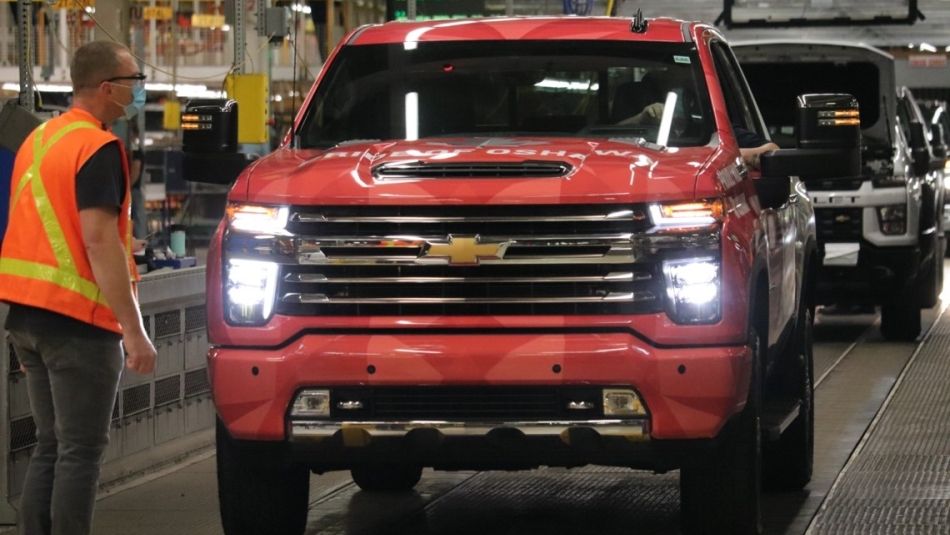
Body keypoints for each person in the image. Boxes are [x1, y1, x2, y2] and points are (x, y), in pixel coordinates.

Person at [0, 41, 156, 535]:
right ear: (108, 87)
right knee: (80, 452)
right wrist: (133, 331)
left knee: (51, 445)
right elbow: (98, 243)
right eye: (134, 82)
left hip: (26, 317)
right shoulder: (98, 148)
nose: (138, 92)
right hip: (77, 323)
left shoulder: (40, 141)